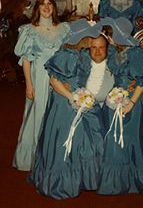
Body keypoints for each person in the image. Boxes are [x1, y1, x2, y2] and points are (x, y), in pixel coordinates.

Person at [28, 17, 136, 199]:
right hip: (66, 103)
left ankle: (88, 179)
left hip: (88, 106)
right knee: (72, 143)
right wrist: (73, 97)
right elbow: (54, 80)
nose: (97, 51)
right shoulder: (69, 54)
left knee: (96, 142)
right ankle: (63, 182)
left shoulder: (103, 59)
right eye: (93, 46)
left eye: (101, 47)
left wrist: (129, 86)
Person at [12, 0, 71, 171]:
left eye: (49, 4)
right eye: (42, 4)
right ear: (36, 8)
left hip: (60, 78)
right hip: (39, 78)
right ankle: (38, 160)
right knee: (38, 115)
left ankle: (58, 157)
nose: (46, 7)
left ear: (54, 7)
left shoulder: (64, 29)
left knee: (60, 115)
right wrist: (29, 85)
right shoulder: (29, 30)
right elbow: (26, 60)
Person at [97, 18, 143, 199]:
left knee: (134, 139)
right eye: (112, 34)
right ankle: (115, 182)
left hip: (134, 103)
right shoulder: (114, 51)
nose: (114, 37)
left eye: (116, 33)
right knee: (115, 141)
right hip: (115, 101)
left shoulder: (137, 53)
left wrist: (131, 103)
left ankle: (135, 181)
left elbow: (141, 81)